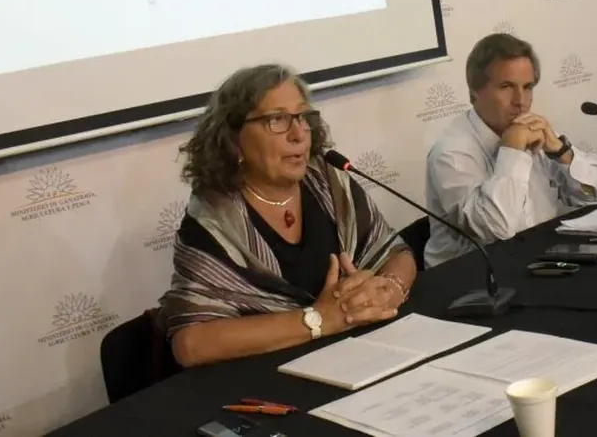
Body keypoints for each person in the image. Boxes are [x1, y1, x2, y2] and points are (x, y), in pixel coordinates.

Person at [159, 64, 416, 367]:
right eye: (276, 119)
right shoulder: (215, 221)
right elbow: (192, 344)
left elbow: (397, 253)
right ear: (233, 139)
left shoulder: (330, 183)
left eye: (303, 117)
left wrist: (389, 291)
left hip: (362, 358)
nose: (298, 135)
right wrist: (318, 320)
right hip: (272, 378)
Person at [423, 33, 597, 268]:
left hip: (538, 258)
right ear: (474, 93)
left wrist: (560, 150)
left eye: (527, 87)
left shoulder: (530, 128)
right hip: (473, 277)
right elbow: (497, 229)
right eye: (506, 87)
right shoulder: (450, 154)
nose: (521, 101)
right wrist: (512, 150)